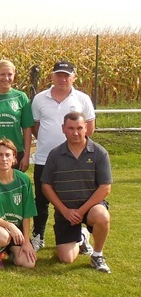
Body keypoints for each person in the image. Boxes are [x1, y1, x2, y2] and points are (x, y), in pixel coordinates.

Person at [31, 61, 96, 252]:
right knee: (41, 200)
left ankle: (82, 235)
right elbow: (36, 128)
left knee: (76, 198)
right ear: (52, 77)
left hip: (74, 159)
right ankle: (38, 235)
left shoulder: (82, 99)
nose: (62, 79)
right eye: (59, 75)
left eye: (66, 75)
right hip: (44, 158)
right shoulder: (40, 99)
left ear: (74, 77)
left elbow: (89, 128)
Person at [41, 112, 112, 273]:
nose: (75, 132)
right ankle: (83, 236)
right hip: (66, 212)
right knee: (66, 259)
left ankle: (97, 255)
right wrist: (65, 211)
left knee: (102, 216)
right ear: (63, 129)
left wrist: (81, 211)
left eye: (79, 128)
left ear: (86, 128)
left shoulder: (99, 153)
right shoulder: (55, 154)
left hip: (90, 208)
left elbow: (105, 188)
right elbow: (46, 186)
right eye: (71, 128)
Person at [0, 139, 37, 269]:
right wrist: (10, 226)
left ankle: (9, 251)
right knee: (1, 236)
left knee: (29, 263)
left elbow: (27, 214)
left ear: (14, 158)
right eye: (0, 155)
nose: (4, 159)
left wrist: (26, 242)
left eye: (8, 155)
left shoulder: (24, 180)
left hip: (17, 230)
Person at [0, 60, 33, 179]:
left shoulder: (21, 98)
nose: (6, 78)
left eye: (10, 74)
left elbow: (27, 128)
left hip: (14, 152)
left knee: (13, 189)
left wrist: (26, 155)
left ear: (14, 75)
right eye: (2, 74)